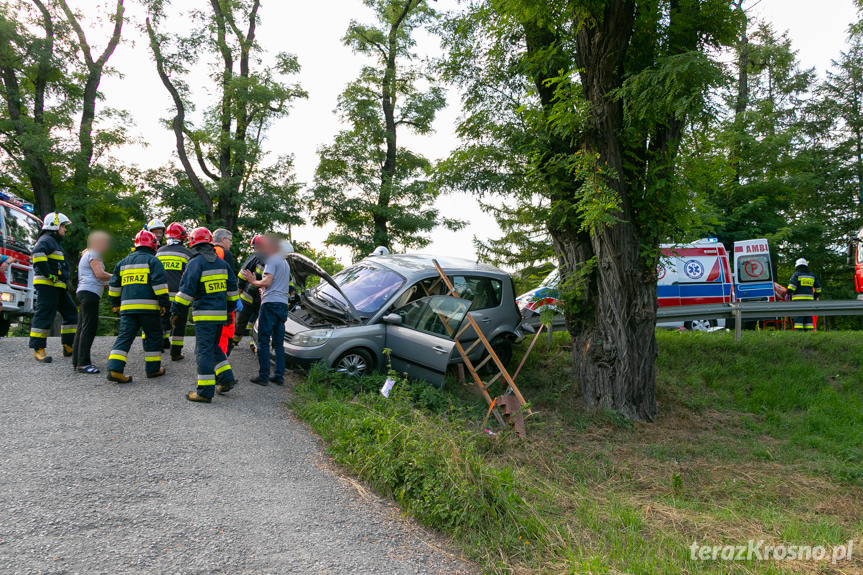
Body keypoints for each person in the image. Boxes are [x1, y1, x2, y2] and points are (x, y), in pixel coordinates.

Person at [172, 227, 239, 403]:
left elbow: (185, 293)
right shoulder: (223, 264)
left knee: (202, 351)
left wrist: (175, 312)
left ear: (193, 244)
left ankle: (204, 392)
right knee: (214, 347)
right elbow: (233, 294)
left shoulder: (195, 263)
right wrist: (227, 310)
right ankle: (226, 379)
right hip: (220, 316)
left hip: (203, 316)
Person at [105, 230, 170, 383]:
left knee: (124, 338)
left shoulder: (122, 263)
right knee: (153, 337)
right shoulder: (153, 261)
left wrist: (115, 305)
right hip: (149, 309)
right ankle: (153, 369)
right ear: (153, 245)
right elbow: (160, 287)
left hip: (127, 310)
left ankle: (115, 369)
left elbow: (114, 287)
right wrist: (164, 305)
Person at [243, 236, 292, 386]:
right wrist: (263, 289)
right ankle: (279, 376)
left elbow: (267, 282)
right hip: (282, 305)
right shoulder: (285, 264)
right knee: (278, 344)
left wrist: (253, 281)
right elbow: (278, 285)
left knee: (263, 341)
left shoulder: (272, 260)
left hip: (270, 305)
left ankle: (263, 376)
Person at [29, 212, 77, 363]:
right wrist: (49, 275)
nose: (65, 229)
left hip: (57, 286)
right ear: (54, 226)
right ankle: (38, 349)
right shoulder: (46, 240)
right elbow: (37, 255)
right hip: (48, 285)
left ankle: (68, 345)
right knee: (44, 315)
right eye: (63, 226)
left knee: (70, 313)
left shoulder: (54, 242)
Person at [72, 231, 112, 374]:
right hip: (90, 294)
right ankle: (84, 363)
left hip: (84, 292)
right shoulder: (94, 253)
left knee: (82, 328)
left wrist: (109, 284)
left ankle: (77, 361)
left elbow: (97, 279)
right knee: (89, 328)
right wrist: (119, 277)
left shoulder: (87, 254)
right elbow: (100, 274)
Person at [156, 223, 194, 360]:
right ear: (183, 237)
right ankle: (176, 353)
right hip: (180, 296)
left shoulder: (158, 253)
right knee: (179, 324)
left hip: (162, 295)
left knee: (162, 320)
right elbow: (191, 276)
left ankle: (161, 345)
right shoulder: (188, 254)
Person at [229, 234, 267, 355]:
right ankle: (251, 343)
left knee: (243, 320)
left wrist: (238, 290)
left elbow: (241, 275)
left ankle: (236, 341)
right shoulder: (272, 259)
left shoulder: (254, 257)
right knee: (255, 321)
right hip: (259, 297)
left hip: (250, 296)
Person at [787, 258, 822, 332]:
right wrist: (815, 296)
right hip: (809, 300)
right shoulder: (812, 276)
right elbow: (818, 288)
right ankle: (809, 333)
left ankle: (799, 333)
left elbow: (792, 286)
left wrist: (787, 293)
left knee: (799, 316)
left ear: (797, 266)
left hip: (798, 300)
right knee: (808, 316)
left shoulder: (797, 274)